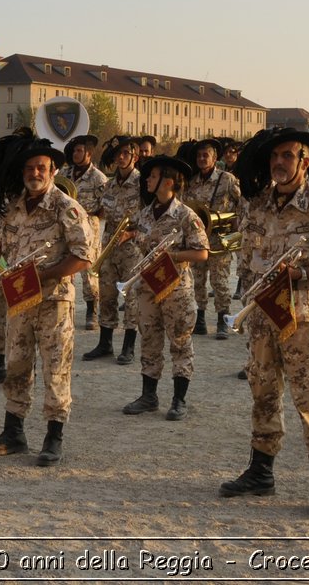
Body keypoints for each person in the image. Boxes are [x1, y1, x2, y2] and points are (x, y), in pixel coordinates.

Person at [219, 128, 309, 517]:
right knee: (263, 391)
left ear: (305, 162)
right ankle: (261, 472)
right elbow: (246, 255)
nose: (279, 162)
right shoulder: (257, 206)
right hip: (261, 315)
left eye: (288, 156)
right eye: (275, 156)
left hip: (302, 318)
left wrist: (302, 274)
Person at [0, 136, 92, 467]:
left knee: (55, 367)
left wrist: (45, 275)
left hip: (53, 300)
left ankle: (53, 437)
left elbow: (84, 257)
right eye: (29, 168)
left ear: (53, 170)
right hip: (19, 300)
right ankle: (13, 432)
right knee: (16, 364)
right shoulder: (15, 207)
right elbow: (6, 248)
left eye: (41, 167)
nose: (35, 173)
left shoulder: (66, 207)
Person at [120, 155, 208, 420]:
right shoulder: (145, 213)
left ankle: (179, 399)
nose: (147, 179)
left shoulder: (185, 215)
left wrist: (173, 257)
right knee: (149, 339)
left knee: (180, 342)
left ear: (168, 182)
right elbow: (139, 235)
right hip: (148, 286)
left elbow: (202, 252)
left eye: (152, 176)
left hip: (176, 288)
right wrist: (131, 236)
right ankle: (149, 396)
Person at [85, 136, 145, 364]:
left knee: (131, 297)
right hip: (109, 244)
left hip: (132, 247)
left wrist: (131, 234)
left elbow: (149, 219)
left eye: (126, 154)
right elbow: (102, 212)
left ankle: (128, 346)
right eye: (118, 154)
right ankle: (105, 343)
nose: (121, 158)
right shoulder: (109, 185)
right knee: (107, 294)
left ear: (135, 157)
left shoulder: (143, 184)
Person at [185, 138, 242, 340]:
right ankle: (200, 320)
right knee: (198, 281)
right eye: (199, 155)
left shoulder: (227, 180)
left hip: (219, 240)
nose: (202, 159)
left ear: (215, 158)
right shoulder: (192, 183)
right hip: (199, 240)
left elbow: (241, 203)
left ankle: (222, 320)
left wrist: (236, 228)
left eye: (205, 155)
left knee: (220, 282)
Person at [62, 134, 106, 330]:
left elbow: (106, 205)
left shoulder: (98, 177)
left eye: (79, 151)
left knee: (89, 270)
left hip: (89, 225)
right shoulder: (64, 173)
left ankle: (92, 310)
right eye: (74, 151)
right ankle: (66, 309)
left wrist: (92, 217)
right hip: (66, 225)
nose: (75, 154)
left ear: (88, 154)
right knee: (65, 266)